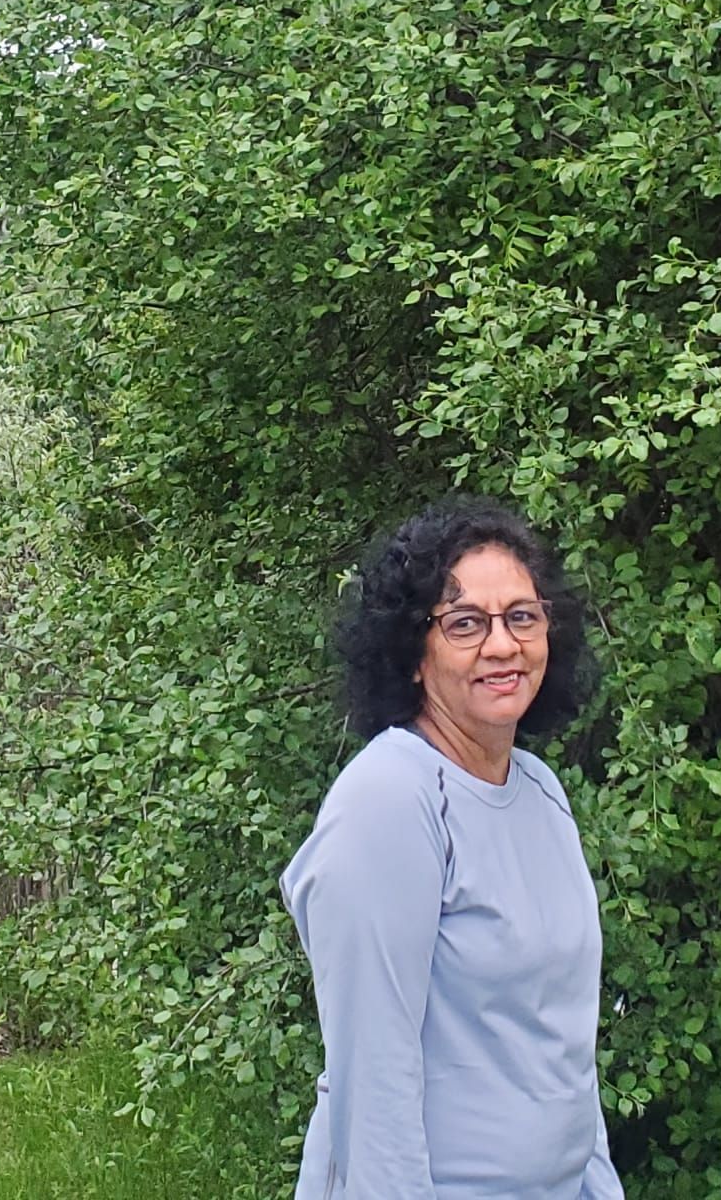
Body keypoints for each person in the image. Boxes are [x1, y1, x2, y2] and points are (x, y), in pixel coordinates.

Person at [281, 497, 624, 1199]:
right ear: (414, 653)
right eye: (465, 623)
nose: (502, 645)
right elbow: (372, 1081)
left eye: (521, 617)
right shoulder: (390, 801)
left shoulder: (540, 790)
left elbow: (561, 1051)